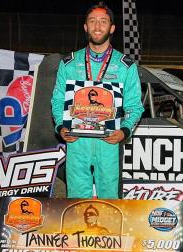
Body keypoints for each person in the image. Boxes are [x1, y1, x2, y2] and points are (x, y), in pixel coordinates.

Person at [51, 2, 144, 199]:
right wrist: (60, 127)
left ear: (112, 28)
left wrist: (124, 131)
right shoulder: (69, 63)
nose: (97, 26)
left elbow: (135, 106)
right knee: (76, 204)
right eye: (92, 21)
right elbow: (58, 101)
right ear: (85, 27)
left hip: (108, 143)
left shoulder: (125, 66)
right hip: (77, 142)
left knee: (109, 204)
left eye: (103, 21)